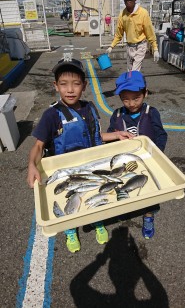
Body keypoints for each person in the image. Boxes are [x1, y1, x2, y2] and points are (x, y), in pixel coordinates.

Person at [27, 58, 134, 253]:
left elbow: (95, 135)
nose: (70, 90)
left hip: (92, 166)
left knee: (94, 194)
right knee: (71, 201)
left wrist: (117, 135)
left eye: (76, 84)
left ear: (84, 86)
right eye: (63, 84)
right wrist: (32, 165)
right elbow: (38, 145)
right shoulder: (51, 115)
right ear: (56, 86)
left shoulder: (90, 108)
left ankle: (97, 220)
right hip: (66, 171)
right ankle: (70, 228)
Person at [107, 70, 168, 239]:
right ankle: (127, 207)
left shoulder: (151, 112)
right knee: (126, 184)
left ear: (145, 93)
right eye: (125, 99)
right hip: (126, 161)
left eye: (136, 98)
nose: (131, 103)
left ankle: (148, 215)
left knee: (149, 189)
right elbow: (110, 134)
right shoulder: (117, 114)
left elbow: (161, 134)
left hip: (148, 158)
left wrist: (158, 153)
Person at [106, 0, 160, 71]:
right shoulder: (122, 15)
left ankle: (136, 82)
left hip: (140, 45)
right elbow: (119, 34)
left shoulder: (143, 13)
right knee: (129, 71)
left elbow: (149, 32)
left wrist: (155, 48)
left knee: (134, 71)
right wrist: (111, 46)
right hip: (129, 46)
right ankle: (137, 83)